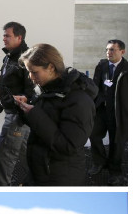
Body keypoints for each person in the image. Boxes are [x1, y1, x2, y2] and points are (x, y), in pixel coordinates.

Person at [14, 43, 97, 186]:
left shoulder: (78, 100)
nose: (30, 77)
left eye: (34, 72)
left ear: (51, 67)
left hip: (61, 177)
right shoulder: (46, 89)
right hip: (41, 171)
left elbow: (68, 145)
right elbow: (45, 122)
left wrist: (34, 113)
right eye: (28, 72)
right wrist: (26, 108)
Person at [0, 21, 34, 185]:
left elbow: (32, 88)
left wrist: (24, 99)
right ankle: (42, 182)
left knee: (5, 156)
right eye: (3, 35)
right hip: (15, 114)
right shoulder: (9, 56)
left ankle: (1, 191)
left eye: (7, 36)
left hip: (18, 116)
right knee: (27, 156)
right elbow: (13, 80)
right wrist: (0, 80)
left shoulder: (26, 59)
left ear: (19, 37)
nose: (4, 38)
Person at [90, 39, 128, 182]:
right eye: (107, 49)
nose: (108, 52)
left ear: (122, 52)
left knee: (116, 142)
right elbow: (96, 86)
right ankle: (99, 162)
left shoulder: (127, 69)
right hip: (102, 109)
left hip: (119, 112)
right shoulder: (102, 65)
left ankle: (115, 171)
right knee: (93, 134)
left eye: (112, 49)